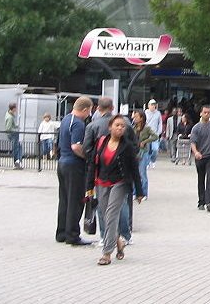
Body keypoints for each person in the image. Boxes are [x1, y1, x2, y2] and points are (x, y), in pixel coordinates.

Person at [85, 114, 145, 266]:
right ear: (110, 127)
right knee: (105, 216)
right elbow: (93, 165)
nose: (120, 128)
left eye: (123, 126)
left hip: (120, 183)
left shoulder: (128, 146)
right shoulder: (101, 142)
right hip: (101, 182)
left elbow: (134, 169)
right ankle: (118, 242)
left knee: (111, 215)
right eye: (117, 125)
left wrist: (139, 191)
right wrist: (89, 187)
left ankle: (106, 253)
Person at [82, 97, 135, 246]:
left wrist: (95, 161)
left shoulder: (92, 126)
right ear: (112, 108)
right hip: (121, 172)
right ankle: (125, 235)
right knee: (122, 204)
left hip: (101, 172)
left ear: (98, 109)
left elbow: (87, 148)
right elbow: (133, 145)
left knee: (102, 205)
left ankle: (105, 235)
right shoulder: (126, 124)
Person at [55, 96, 94, 246]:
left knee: (64, 199)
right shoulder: (78, 124)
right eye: (89, 111)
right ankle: (73, 235)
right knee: (75, 200)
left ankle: (61, 232)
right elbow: (76, 146)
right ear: (85, 109)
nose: (89, 114)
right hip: (74, 165)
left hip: (62, 163)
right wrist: (87, 157)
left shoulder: (66, 119)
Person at [190, 105, 210, 212]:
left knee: (209, 178)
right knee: (201, 179)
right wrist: (196, 152)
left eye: (208, 112)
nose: (206, 114)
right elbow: (193, 143)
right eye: (205, 112)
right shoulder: (196, 128)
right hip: (200, 157)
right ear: (201, 113)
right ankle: (201, 201)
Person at [132, 110, 158, 198]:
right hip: (135, 151)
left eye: (136, 117)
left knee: (142, 172)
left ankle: (144, 193)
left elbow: (155, 136)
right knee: (135, 172)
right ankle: (135, 192)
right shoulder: (133, 127)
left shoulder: (146, 128)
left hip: (143, 151)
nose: (134, 118)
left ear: (141, 118)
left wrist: (145, 141)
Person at [5, 102, 23, 170]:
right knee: (17, 148)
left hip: (12, 135)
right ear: (13, 108)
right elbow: (8, 128)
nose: (16, 109)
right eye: (15, 108)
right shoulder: (10, 117)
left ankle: (17, 162)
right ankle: (17, 163)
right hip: (13, 135)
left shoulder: (9, 114)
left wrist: (16, 126)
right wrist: (16, 130)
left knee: (18, 147)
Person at [145, 99, 162, 167]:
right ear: (148, 105)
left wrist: (158, 132)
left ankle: (153, 160)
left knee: (155, 149)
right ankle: (148, 162)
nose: (153, 106)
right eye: (151, 105)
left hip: (155, 134)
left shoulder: (158, 113)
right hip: (147, 135)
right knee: (147, 150)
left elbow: (160, 123)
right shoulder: (145, 113)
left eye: (154, 105)